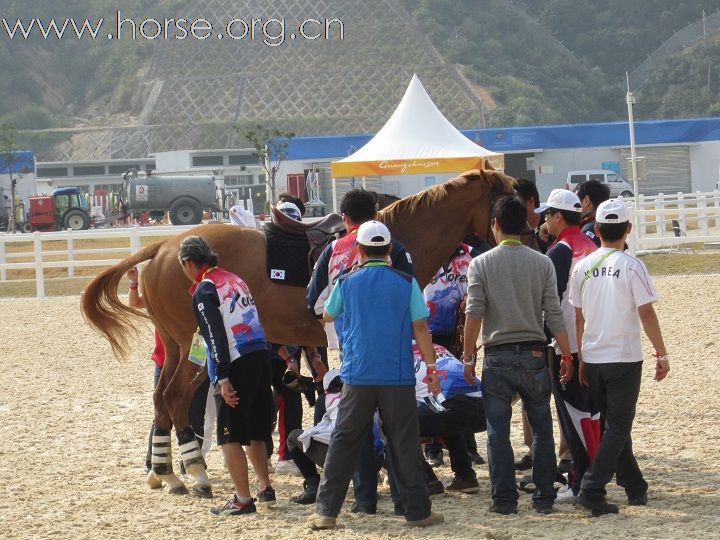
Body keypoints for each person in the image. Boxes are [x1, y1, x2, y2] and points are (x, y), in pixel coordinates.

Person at [306, 221, 443, 530]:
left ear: (359, 250)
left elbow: (327, 313)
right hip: (398, 376)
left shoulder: (347, 281)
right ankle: (418, 512)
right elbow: (421, 328)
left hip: (358, 374)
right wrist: (432, 370)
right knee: (405, 442)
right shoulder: (406, 282)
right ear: (390, 249)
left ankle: (327, 512)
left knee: (344, 440)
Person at [462, 195, 574, 516]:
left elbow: (474, 315)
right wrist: (566, 355)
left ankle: (504, 500)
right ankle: (543, 497)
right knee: (541, 426)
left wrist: (469, 358)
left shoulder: (480, 264)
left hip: (497, 355)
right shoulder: (542, 262)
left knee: (498, 430)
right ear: (524, 226)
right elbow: (554, 314)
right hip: (535, 352)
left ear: (495, 225)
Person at [306, 188, 413, 514]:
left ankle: (364, 499)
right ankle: (402, 501)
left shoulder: (333, 249)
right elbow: (412, 293)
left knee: (354, 428)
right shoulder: (398, 249)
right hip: (395, 353)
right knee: (399, 430)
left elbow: (314, 302)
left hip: (352, 353)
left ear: (345, 218)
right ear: (377, 213)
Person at [568, 199, 670, 516]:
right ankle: (592, 487)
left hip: (594, 358)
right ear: (628, 229)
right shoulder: (632, 266)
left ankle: (634, 485)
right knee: (619, 426)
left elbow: (578, 320)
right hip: (624, 358)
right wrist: (661, 352)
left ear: (596, 229)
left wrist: (582, 358)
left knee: (614, 424)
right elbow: (646, 311)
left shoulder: (582, 266)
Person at [178, 235, 275, 516]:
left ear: (188, 262)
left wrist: (222, 378)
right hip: (260, 354)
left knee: (229, 436)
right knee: (256, 430)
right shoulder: (235, 279)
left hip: (236, 360)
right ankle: (265, 488)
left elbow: (215, 335)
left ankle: (242, 499)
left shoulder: (204, 290)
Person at [535, 189, 599, 501]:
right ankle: (592, 476)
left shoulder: (558, 252)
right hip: (596, 341)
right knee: (592, 412)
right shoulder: (592, 245)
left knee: (572, 417)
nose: (545, 220)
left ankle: (581, 481)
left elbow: (549, 303)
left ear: (559, 216)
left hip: (567, 345)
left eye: (547, 214)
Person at [125, 266, 211, 475]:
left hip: (191, 356)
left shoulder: (196, 294)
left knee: (195, 412)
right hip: (166, 359)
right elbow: (135, 303)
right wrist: (134, 283)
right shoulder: (164, 297)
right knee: (163, 411)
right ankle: (154, 462)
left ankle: (189, 463)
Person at [422, 243, 485, 468]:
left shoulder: (469, 257)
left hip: (460, 333)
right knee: (432, 387)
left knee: (464, 384)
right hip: (431, 333)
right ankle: (434, 447)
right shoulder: (426, 255)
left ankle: (469, 447)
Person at [574, 179, 611, 247]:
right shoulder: (610, 225)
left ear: (586, 201)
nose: (573, 207)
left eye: (575, 201)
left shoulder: (587, 230)